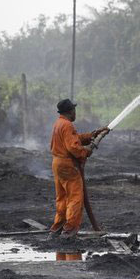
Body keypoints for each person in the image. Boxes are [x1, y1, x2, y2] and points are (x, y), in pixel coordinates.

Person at [49, 99, 109, 239]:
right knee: (75, 197)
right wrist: (86, 151)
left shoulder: (59, 123)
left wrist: (92, 135)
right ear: (70, 111)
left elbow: (74, 139)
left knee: (62, 197)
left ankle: (56, 229)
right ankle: (69, 231)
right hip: (68, 165)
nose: (76, 112)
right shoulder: (67, 125)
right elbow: (73, 147)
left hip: (58, 163)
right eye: (74, 110)